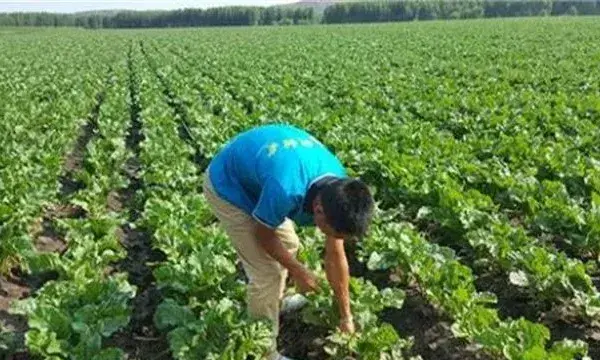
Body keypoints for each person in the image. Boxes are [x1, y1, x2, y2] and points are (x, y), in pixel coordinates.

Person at [202, 124, 374, 360]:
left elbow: (336, 256)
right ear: (318, 210)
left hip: (264, 176)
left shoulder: (339, 189)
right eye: (332, 232)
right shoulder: (286, 189)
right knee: (267, 273)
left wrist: (346, 317)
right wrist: (299, 271)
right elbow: (264, 234)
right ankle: (264, 351)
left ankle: (276, 302)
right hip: (228, 185)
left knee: (289, 245)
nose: (333, 238)